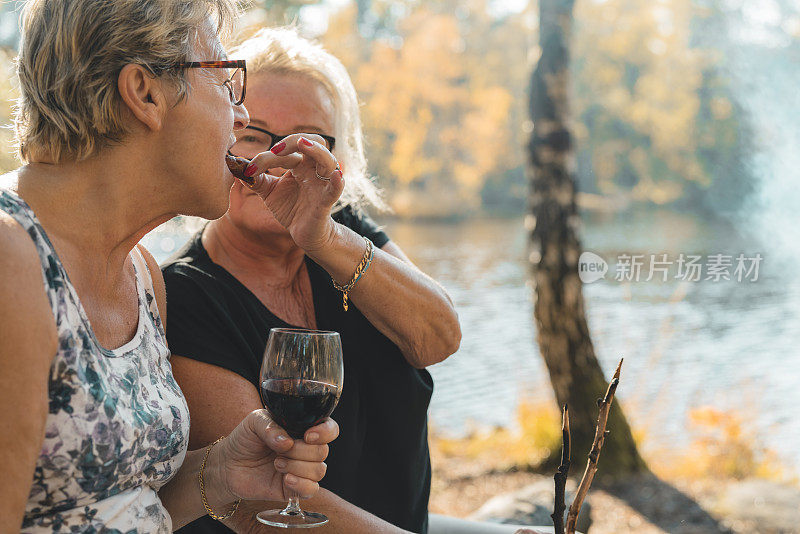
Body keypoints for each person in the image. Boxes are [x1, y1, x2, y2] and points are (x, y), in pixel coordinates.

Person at [0, 1, 340, 531]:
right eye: (225, 81)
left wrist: (225, 470)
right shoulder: (10, 259)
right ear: (146, 93)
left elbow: (122, 500)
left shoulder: (142, 275)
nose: (242, 115)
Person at [161, 28, 463, 534]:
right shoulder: (184, 294)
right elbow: (262, 511)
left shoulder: (347, 239)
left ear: (338, 161)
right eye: (252, 136)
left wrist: (321, 236)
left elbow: (440, 337)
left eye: (306, 143)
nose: (277, 161)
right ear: (220, 139)